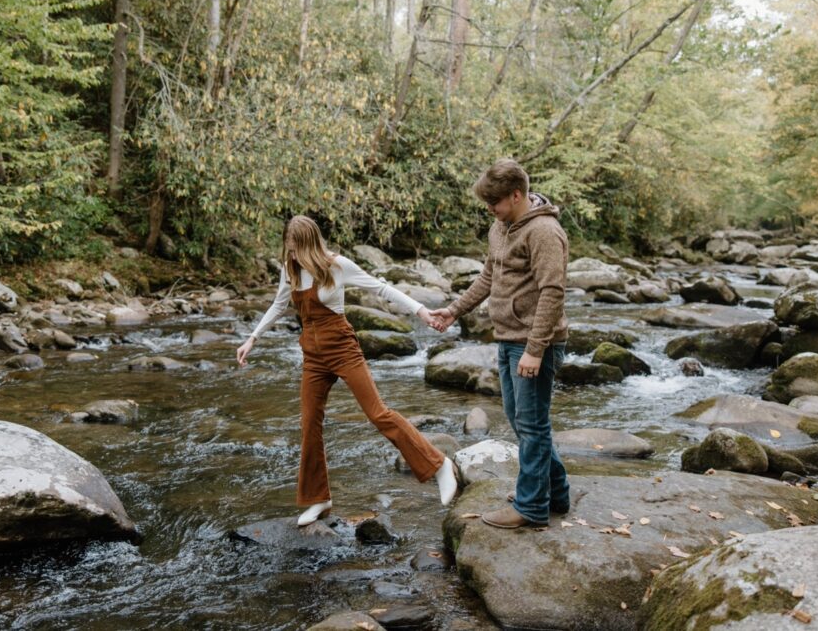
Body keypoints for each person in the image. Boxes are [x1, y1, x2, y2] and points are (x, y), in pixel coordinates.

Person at [237, 215, 457, 527]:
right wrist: (252, 338)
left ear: (310, 245)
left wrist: (420, 311)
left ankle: (439, 465)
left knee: (378, 413)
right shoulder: (291, 268)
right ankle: (319, 498)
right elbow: (278, 305)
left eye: (297, 249)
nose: (293, 254)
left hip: (342, 349)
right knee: (309, 423)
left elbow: (381, 289)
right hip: (312, 356)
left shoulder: (337, 265)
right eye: (289, 248)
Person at [429, 159, 570, 530]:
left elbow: (552, 293)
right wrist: (454, 311)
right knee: (523, 421)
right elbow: (489, 276)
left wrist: (536, 350)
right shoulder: (501, 226)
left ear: (517, 195)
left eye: (495, 203)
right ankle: (556, 493)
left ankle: (532, 507)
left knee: (532, 425)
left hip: (534, 342)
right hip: (508, 338)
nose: (490, 210)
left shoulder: (543, 232)